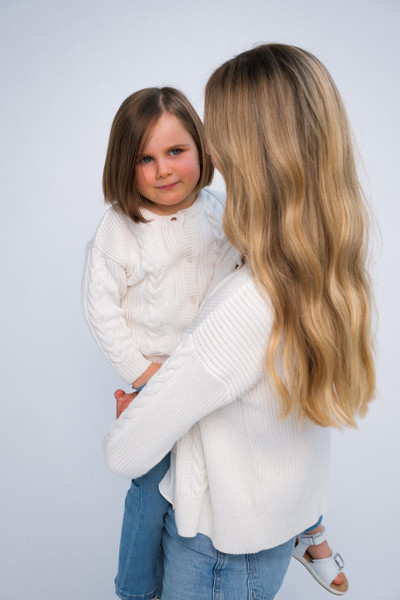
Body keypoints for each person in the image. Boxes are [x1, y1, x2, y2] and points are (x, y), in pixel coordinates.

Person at [104, 44, 375, 600]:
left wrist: (140, 409)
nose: (211, 154)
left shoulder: (246, 303)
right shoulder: (322, 265)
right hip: (276, 519)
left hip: (218, 553)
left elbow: (125, 452)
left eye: (215, 136)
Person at [82, 87, 240, 600]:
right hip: (156, 383)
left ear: (203, 149)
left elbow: (240, 284)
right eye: (144, 159)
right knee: (150, 493)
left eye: (176, 152)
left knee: (236, 464)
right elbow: (100, 309)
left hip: (214, 379)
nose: (163, 171)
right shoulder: (120, 228)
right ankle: (135, 588)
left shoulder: (217, 211)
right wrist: (142, 377)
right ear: (123, 166)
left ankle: (307, 525)